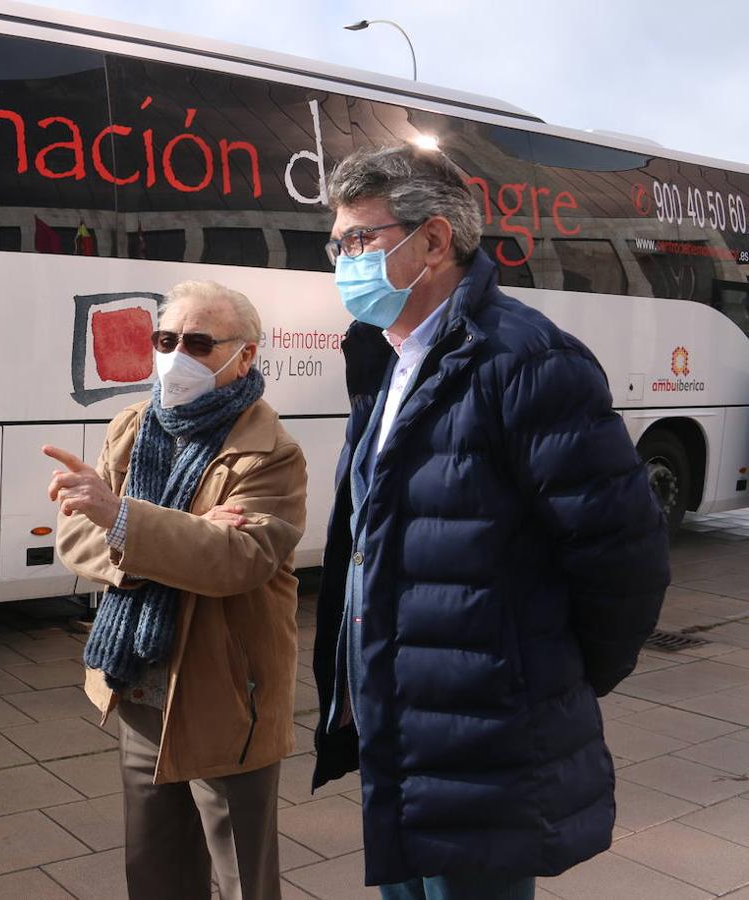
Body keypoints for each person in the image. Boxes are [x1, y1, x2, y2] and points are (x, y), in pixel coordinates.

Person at [313, 144, 669, 899]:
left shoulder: (529, 360)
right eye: (335, 243)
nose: (341, 260)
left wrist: (543, 681)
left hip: (485, 744)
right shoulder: (387, 360)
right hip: (402, 738)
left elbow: (624, 562)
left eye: (358, 240)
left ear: (434, 241)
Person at [46, 280, 307, 900]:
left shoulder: (271, 452)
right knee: (156, 875)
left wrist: (125, 520)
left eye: (198, 342)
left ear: (245, 355)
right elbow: (75, 542)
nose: (176, 356)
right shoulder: (132, 425)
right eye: (166, 340)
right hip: (138, 683)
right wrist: (152, 538)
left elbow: (237, 560)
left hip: (225, 697)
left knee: (241, 878)